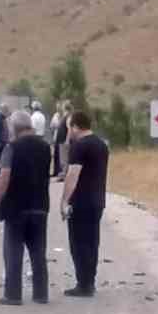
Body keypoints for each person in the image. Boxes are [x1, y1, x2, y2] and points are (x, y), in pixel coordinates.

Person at [0, 110, 52, 305]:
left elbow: (4, 176)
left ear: (15, 128)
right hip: (40, 206)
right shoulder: (45, 147)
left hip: (16, 207)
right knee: (38, 252)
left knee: (13, 251)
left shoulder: (12, 148)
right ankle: (41, 294)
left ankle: (13, 294)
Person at [59, 110, 109, 297]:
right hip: (98, 200)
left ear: (75, 126)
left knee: (78, 243)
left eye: (68, 127)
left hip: (81, 202)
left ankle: (83, 283)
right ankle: (90, 281)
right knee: (92, 242)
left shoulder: (79, 147)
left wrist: (64, 201)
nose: (68, 132)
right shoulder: (101, 145)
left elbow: (73, 175)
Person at [52, 100, 71, 178]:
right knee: (61, 158)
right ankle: (61, 173)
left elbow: (69, 129)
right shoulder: (64, 116)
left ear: (65, 107)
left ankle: (64, 174)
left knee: (64, 159)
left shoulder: (68, 116)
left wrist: (67, 140)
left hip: (63, 140)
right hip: (60, 140)